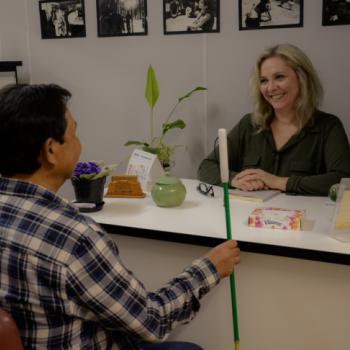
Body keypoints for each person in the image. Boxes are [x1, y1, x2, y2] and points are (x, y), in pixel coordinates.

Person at [0, 84, 240, 349]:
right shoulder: (73, 238)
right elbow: (151, 322)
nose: (80, 143)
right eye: (74, 133)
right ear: (51, 151)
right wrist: (210, 268)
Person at [198, 44, 350, 196]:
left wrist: (278, 182)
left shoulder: (328, 126)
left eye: (279, 77)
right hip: (247, 218)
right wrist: (233, 180)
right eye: (264, 80)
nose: (270, 88)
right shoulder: (249, 124)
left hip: (305, 218)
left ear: (302, 78)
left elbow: (343, 179)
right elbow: (206, 166)